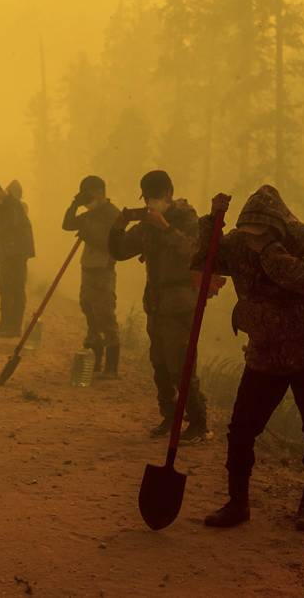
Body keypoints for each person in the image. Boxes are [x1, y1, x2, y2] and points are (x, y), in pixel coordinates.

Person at [196, 185, 304, 533]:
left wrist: (270, 251)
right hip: (264, 352)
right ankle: (237, 502)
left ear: (276, 228)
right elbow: (205, 259)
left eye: (259, 233)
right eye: (248, 233)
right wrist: (212, 223)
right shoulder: (238, 242)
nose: (252, 239)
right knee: (242, 428)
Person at [108, 170, 210, 442]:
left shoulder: (187, 219)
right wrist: (118, 225)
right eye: (147, 198)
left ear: (168, 194)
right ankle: (169, 414)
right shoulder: (147, 225)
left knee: (181, 365)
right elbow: (119, 251)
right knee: (160, 365)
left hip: (180, 304)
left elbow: (195, 251)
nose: (151, 203)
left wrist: (165, 227)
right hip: (155, 304)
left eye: (155, 197)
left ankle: (199, 422)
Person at [62, 176, 121, 378]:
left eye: (89, 194)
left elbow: (111, 244)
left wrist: (88, 234)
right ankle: (94, 359)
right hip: (88, 267)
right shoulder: (90, 213)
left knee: (105, 312)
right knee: (87, 307)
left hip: (104, 268)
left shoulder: (114, 215)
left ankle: (111, 367)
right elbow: (67, 224)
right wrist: (74, 205)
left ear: (100, 192)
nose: (88, 199)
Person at [0, 180, 35, 337]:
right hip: (7, 252)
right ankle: (5, 324)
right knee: (4, 287)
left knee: (15, 288)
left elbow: (1, 227)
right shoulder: (4, 205)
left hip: (17, 254)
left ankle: (14, 327)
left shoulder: (12, 205)